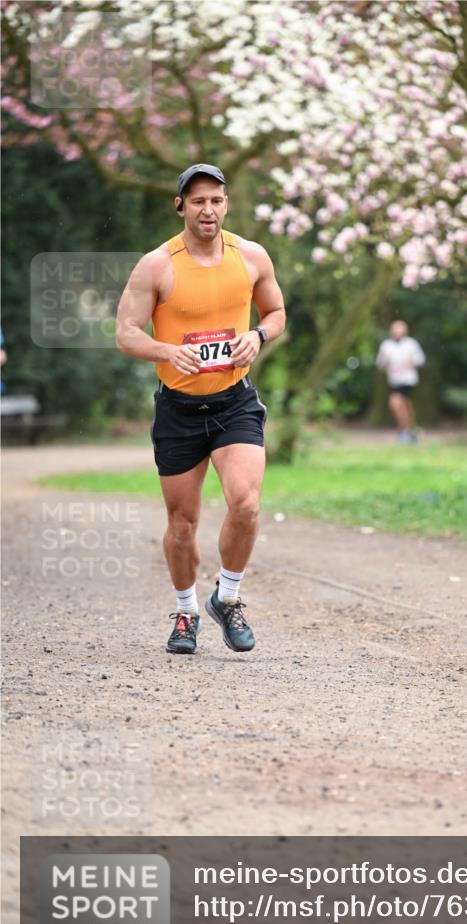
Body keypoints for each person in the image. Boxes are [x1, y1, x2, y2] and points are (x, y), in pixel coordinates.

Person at [116, 163, 286, 655]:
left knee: (247, 504)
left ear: (226, 204)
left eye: (215, 200)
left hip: (234, 403)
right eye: (197, 201)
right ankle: (187, 611)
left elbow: (275, 312)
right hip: (179, 410)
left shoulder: (250, 256)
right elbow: (125, 332)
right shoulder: (157, 265)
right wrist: (167, 351)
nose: (207, 209)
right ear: (180, 207)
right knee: (183, 524)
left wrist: (257, 336)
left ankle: (227, 598)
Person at [375, 320, 425, 443]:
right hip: (394, 380)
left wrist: (412, 361)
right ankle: (411, 431)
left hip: (407, 379)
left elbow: (421, 359)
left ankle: (404, 431)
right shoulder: (386, 345)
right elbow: (380, 364)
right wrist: (385, 358)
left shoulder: (411, 344)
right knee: (405, 406)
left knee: (395, 402)